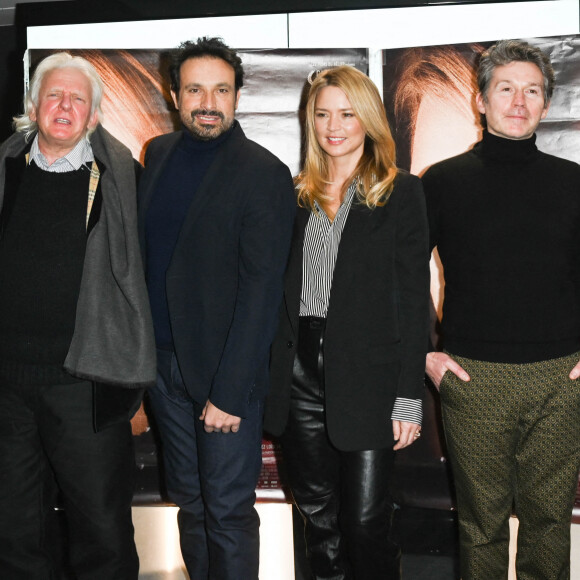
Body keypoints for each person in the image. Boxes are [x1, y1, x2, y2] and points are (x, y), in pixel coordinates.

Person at [138, 37, 295, 580]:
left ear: (237, 97)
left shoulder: (264, 172)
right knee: (191, 502)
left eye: (221, 89)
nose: (209, 101)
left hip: (225, 374)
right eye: (196, 88)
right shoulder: (156, 154)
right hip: (160, 369)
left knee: (227, 511)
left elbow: (262, 291)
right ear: (175, 94)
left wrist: (229, 392)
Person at [264, 65, 430, 579]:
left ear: (369, 121)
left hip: (368, 373)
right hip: (297, 377)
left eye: (347, 113)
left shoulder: (400, 192)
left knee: (364, 521)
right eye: (322, 114)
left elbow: (412, 297)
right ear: (309, 121)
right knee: (320, 522)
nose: (333, 126)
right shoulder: (294, 196)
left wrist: (408, 393)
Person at [423, 39, 580, 579]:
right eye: (506, 88)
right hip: (473, 377)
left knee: (549, 522)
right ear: (481, 100)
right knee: (480, 526)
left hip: (562, 377)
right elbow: (398, 278)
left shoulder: (574, 183)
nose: (519, 100)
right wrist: (427, 352)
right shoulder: (440, 183)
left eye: (532, 90)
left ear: (545, 103)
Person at [0, 52, 156, 579]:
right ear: (33, 105)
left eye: (77, 99)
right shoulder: (3, 168)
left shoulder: (123, 178)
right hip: (6, 387)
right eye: (53, 95)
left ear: (92, 116)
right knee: (15, 532)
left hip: (85, 382)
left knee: (102, 534)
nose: (64, 106)